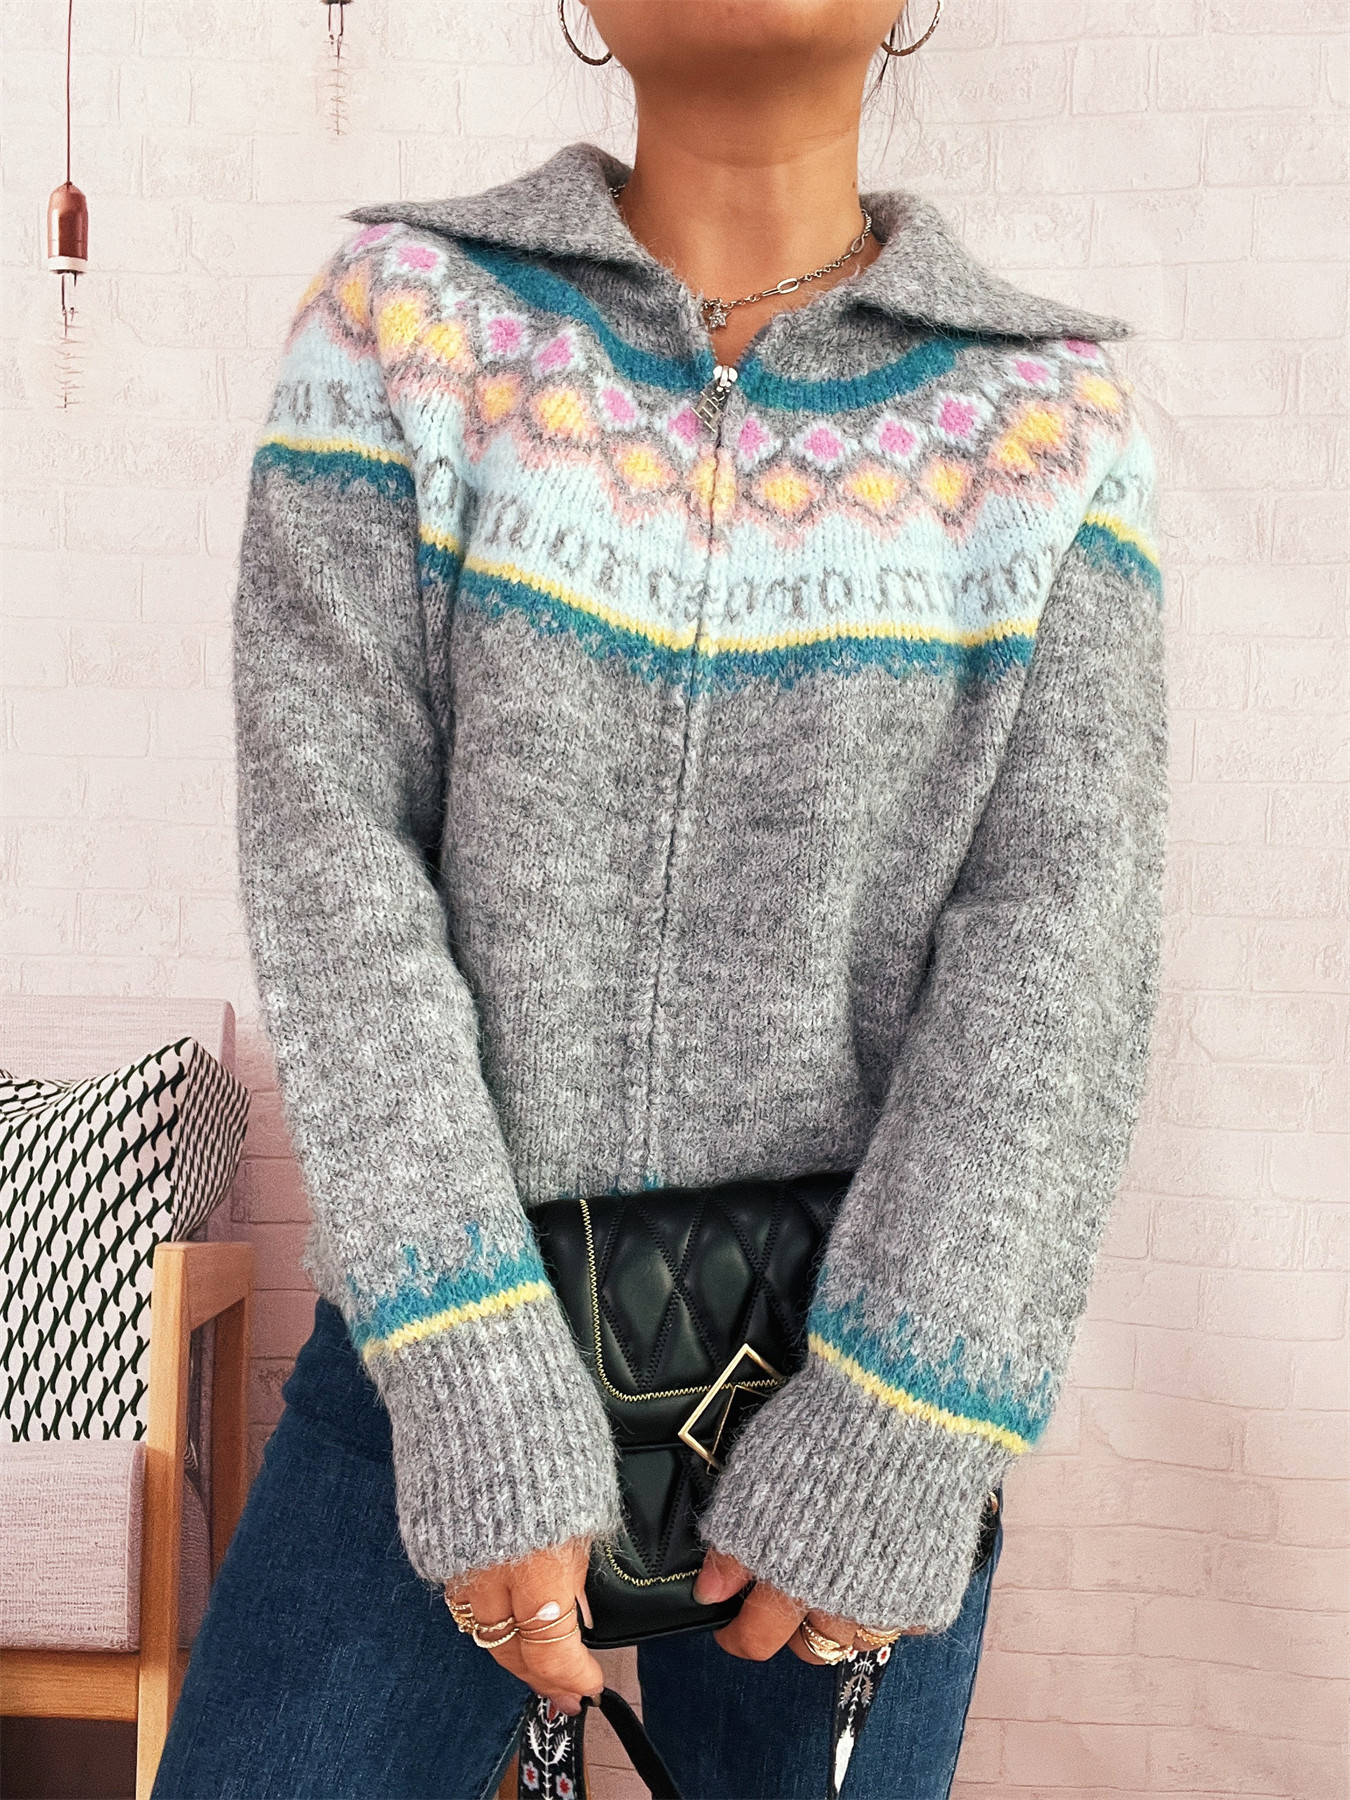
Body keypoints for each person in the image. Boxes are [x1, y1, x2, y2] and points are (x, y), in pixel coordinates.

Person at [153, 2, 1168, 1795]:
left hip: (861, 1392)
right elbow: (333, 857)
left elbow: (1058, 957)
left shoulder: (1048, 416)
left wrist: (903, 1421)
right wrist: (469, 1368)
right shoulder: (401, 323)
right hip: (436, 1345)